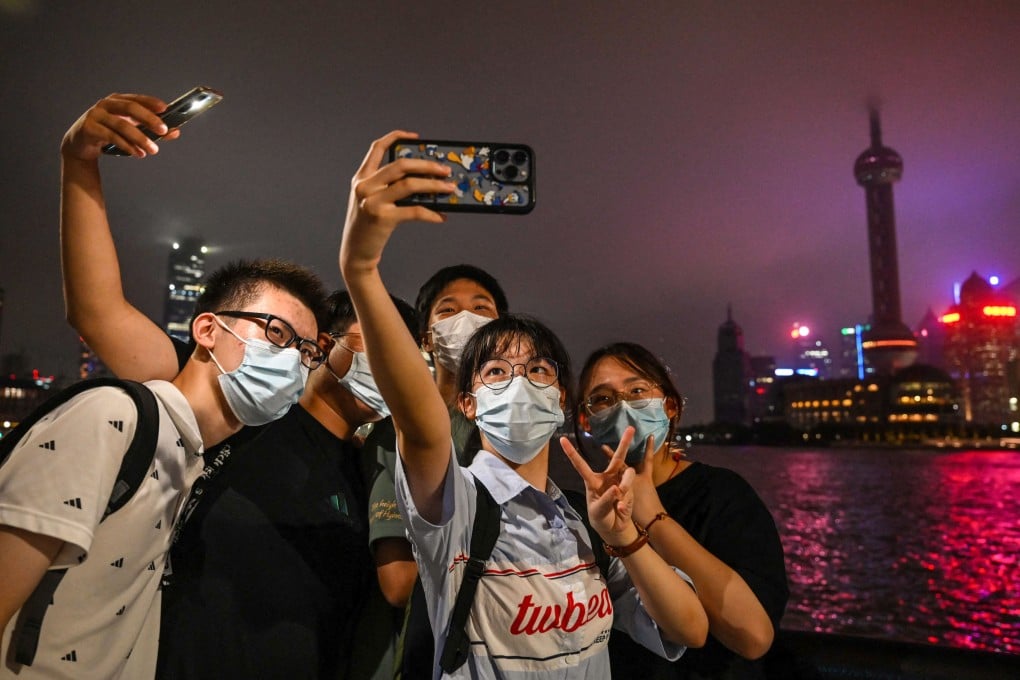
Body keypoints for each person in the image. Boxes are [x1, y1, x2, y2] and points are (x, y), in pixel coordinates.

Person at [55, 92, 410, 679]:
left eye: (301, 345)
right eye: (278, 334)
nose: (291, 354)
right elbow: (97, 310)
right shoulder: (223, 413)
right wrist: (79, 162)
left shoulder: (370, 467)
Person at [339, 130, 709, 677]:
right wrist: (362, 270)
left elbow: (690, 629)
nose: (519, 382)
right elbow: (420, 427)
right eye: (496, 371)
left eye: (537, 369)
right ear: (467, 402)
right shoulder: (455, 505)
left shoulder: (586, 518)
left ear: (560, 399)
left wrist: (624, 539)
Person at [574, 342, 789, 679]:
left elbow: (754, 638)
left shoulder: (721, 494)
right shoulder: (579, 508)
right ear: (586, 419)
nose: (624, 407)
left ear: (669, 405)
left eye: (638, 391)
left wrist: (654, 518)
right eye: (603, 399)